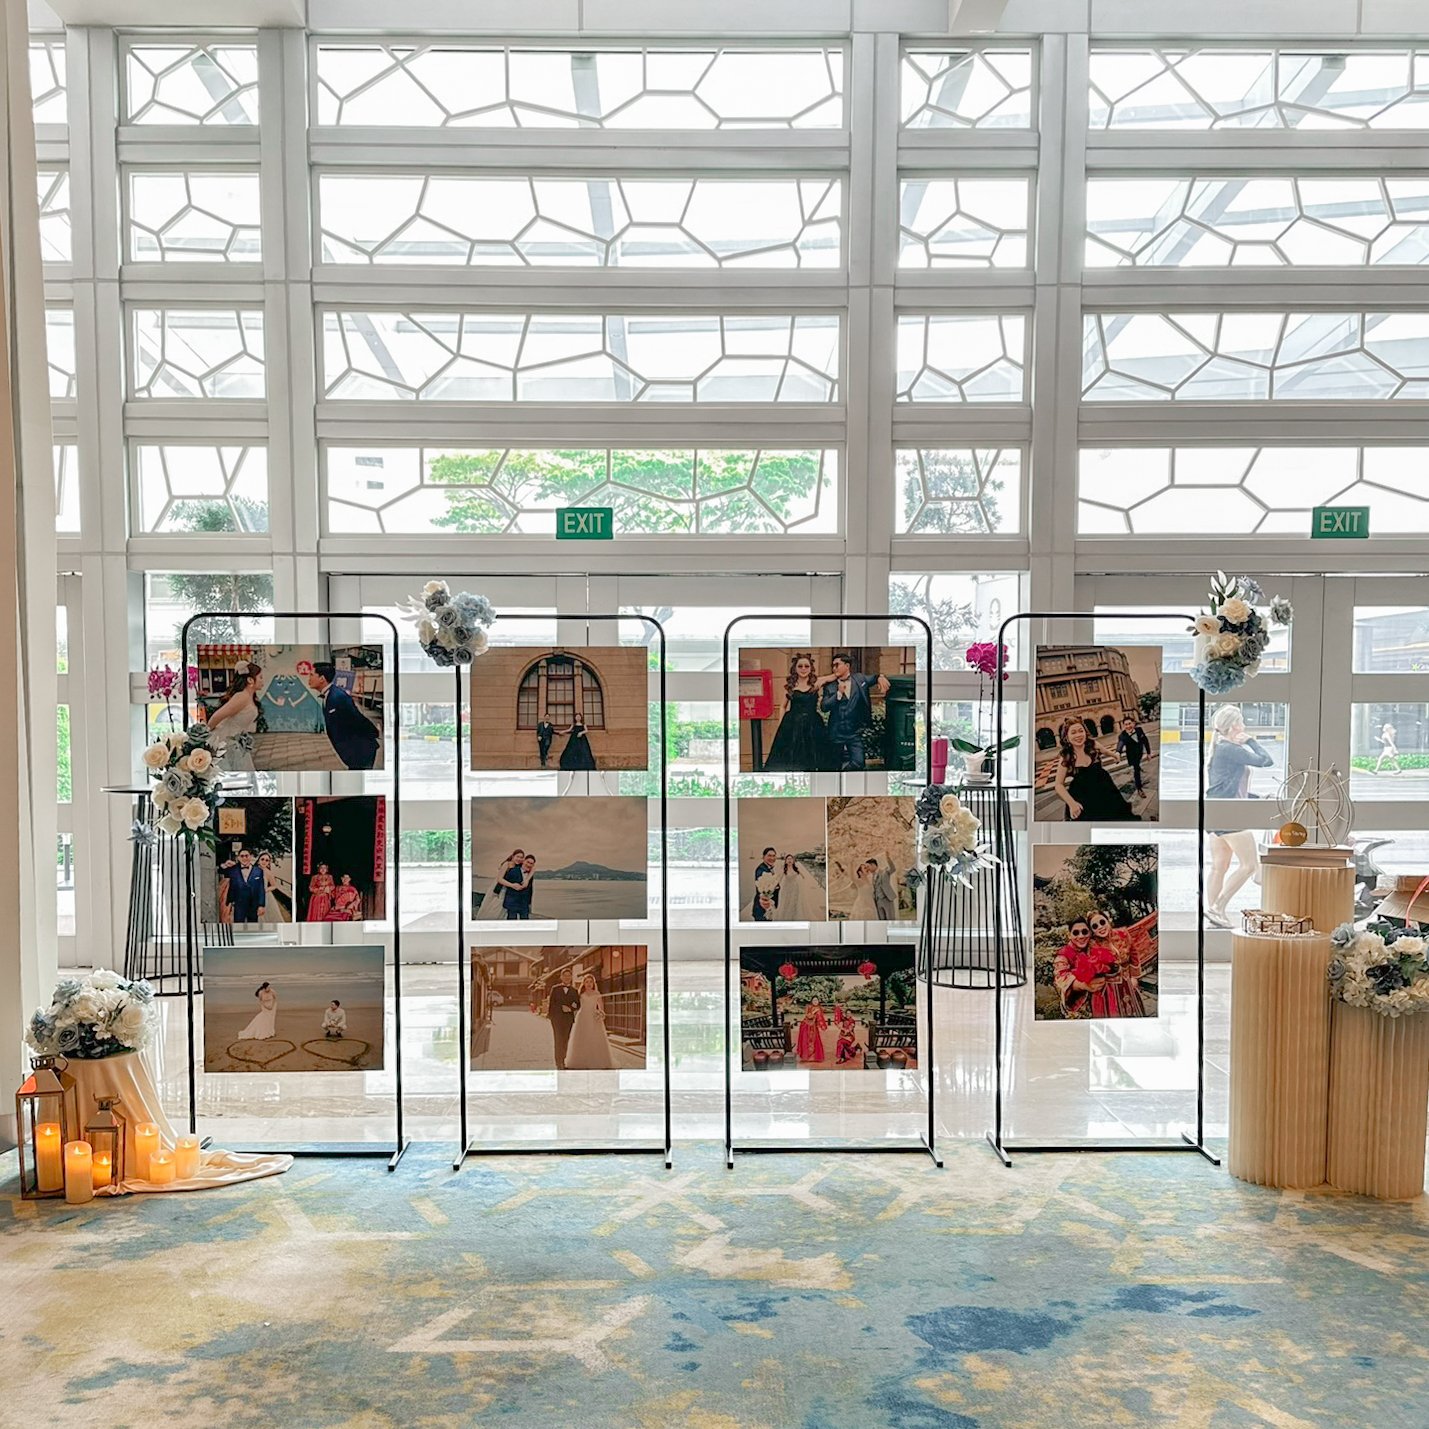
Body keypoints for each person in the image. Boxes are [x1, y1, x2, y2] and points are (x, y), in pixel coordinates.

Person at [1206, 704, 1275, 929]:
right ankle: (1217, 908)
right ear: (1234, 725)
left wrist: (1257, 797)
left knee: (1219, 867)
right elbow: (1266, 760)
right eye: (1242, 721)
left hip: (1216, 812)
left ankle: (1214, 915)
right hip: (1230, 815)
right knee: (1249, 865)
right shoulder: (1229, 748)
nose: (1244, 725)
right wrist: (1250, 741)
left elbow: (1227, 787)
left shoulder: (1220, 748)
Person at [1052, 719, 1138, 822]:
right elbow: (1058, 785)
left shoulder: (1092, 744)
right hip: (1083, 795)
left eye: (1081, 731)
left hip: (1105, 787)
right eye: (1073, 732)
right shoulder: (1066, 756)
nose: (1078, 735)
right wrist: (1072, 803)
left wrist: (1115, 755)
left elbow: (1105, 751)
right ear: (1067, 737)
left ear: (1085, 732)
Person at [820, 653, 890, 772]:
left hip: (854, 733)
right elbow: (824, 707)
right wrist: (838, 694)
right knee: (833, 766)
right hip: (836, 733)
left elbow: (874, 678)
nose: (834, 668)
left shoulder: (860, 679)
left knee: (859, 762)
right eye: (833, 666)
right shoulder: (830, 686)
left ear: (847, 666)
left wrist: (880, 677)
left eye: (837, 665)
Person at [763, 654, 834, 772]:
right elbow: (782, 706)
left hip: (812, 724)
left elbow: (834, 676)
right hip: (792, 724)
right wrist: (781, 723)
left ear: (811, 668)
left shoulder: (816, 683)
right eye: (800, 666)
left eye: (806, 666)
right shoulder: (790, 686)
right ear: (795, 668)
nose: (803, 669)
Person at [306, 661, 379, 771]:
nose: (309, 679)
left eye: (312, 675)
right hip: (352, 750)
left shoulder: (338, 697)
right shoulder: (329, 695)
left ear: (322, 678)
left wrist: (374, 733)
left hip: (361, 749)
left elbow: (357, 719)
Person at [1051, 918, 1121, 1019]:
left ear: (1090, 933)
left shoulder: (1094, 945)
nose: (1081, 936)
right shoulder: (1063, 954)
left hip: (1103, 1000)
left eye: (1084, 932)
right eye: (1076, 933)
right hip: (1081, 1009)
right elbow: (1060, 977)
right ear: (1069, 935)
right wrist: (1082, 985)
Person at [204, 660, 263, 771]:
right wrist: (205, 735)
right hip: (225, 742)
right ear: (250, 680)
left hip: (236, 744)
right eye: (260, 677)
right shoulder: (242, 697)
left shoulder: (249, 697)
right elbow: (217, 716)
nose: (262, 681)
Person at [1090, 908, 1145, 1018]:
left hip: (1128, 981)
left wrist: (1134, 977)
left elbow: (1134, 954)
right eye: (1095, 926)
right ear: (1092, 931)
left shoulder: (1123, 934)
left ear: (1108, 921)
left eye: (1102, 922)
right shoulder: (1093, 945)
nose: (1100, 927)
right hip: (1108, 989)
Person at [565, 973, 615, 1069]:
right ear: (584, 983)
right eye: (587, 982)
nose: (589, 984)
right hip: (582, 1017)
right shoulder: (580, 994)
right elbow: (575, 1004)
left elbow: (601, 1007)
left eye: (590, 982)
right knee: (582, 1037)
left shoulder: (597, 994)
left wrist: (601, 1013)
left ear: (593, 983)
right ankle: (580, 1060)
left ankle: (596, 1059)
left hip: (593, 1017)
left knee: (594, 1037)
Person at [220, 848, 267, 924]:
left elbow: (261, 889)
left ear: (250, 857)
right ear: (238, 857)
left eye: (246, 856)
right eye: (242, 856)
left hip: (253, 905)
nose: (244, 858)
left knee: (252, 926)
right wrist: (225, 865)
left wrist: (261, 905)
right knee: (238, 925)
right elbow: (221, 871)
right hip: (238, 904)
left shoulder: (258, 871)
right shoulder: (233, 870)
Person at [546, 973, 582, 1068]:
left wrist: (570, 1008)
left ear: (571, 977)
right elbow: (552, 1004)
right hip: (556, 1018)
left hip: (568, 1019)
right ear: (561, 977)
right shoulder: (555, 989)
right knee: (558, 1039)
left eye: (569, 976)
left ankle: (563, 1059)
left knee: (566, 1039)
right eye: (565, 976)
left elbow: (577, 1004)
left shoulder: (574, 991)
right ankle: (559, 1062)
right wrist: (558, 1011)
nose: (567, 977)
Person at [1117, 716, 1152, 796]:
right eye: (1126, 724)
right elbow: (1120, 744)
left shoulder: (1139, 730)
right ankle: (1139, 788)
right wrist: (1118, 752)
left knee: (1138, 765)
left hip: (1140, 752)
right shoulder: (1122, 735)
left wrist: (1148, 753)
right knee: (1136, 770)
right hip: (1132, 755)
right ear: (1123, 726)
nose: (1128, 726)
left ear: (1133, 723)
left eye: (1129, 723)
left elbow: (1145, 741)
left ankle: (1138, 767)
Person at [773, 853, 815, 921]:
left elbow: (803, 876)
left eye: (791, 859)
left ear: (793, 861)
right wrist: (775, 885)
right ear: (786, 861)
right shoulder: (784, 869)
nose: (789, 860)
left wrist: (800, 883)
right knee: (787, 903)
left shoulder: (796, 869)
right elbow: (780, 878)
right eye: (788, 859)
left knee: (795, 902)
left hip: (795, 888)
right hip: (787, 889)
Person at [258, 851, 291, 923]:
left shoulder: (268, 873)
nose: (264, 862)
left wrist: (265, 890)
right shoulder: (252, 870)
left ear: (269, 862)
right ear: (258, 860)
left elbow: (274, 886)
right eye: (262, 859)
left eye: (267, 860)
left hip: (266, 896)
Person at [752, 846, 780, 921]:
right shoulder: (761, 870)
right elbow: (762, 891)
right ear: (763, 857)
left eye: (774, 856)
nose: (772, 858)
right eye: (769, 855)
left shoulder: (768, 868)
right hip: (763, 909)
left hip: (768, 908)